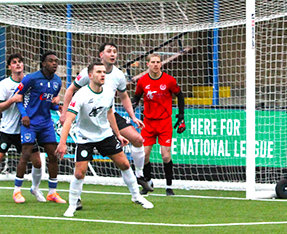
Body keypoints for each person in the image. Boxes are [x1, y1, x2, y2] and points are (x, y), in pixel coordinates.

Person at [57, 62, 153, 217]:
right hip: (85, 138)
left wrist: (118, 135)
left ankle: (136, 196)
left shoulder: (108, 92)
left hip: (105, 135)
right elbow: (69, 120)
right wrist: (62, 143)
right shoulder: (81, 95)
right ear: (90, 75)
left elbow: (109, 113)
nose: (103, 75)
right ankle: (72, 205)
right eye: (99, 72)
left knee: (125, 164)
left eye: (104, 72)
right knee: (79, 173)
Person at [0, 54, 46, 203]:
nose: (18, 64)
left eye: (20, 62)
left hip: (26, 130)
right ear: (9, 67)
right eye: (14, 62)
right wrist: (12, 99)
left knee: (37, 162)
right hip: (8, 130)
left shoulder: (31, 81)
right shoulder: (4, 84)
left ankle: (35, 188)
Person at [12, 51, 65, 204]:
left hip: (46, 123)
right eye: (51, 61)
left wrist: (57, 107)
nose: (54, 63)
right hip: (30, 122)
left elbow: (48, 102)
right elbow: (17, 96)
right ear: (43, 64)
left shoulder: (57, 81)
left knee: (53, 155)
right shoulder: (31, 78)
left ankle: (52, 192)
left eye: (56, 61)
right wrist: (24, 115)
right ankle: (17, 191)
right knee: (26, 153)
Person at [132, 53, 185, 196]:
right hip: (148, 123)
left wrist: (181, 115)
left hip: (164, 122)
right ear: (148, 64)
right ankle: (148, 182)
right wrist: (133, 106)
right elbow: (136, 96)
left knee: (165, 155)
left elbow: (180, 95)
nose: (155, 64)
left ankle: (169, 186)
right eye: (153, 62)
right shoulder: (142, 81)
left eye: (158, 62)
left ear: (161, 64)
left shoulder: (169, 80)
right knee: (144, 155)